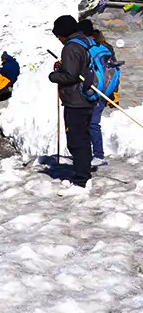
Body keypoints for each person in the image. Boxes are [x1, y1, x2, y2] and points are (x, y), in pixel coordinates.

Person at [48, 15, 94, 194]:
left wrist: (54, 76)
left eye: (58, 35)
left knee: (76, 140)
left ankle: (81, 181)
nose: (58, 39)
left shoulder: (71, 47)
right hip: (86, 98)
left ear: (64, 33)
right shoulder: (84, 42)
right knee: (83, 137)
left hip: (76, 101)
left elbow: (70, 76)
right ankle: (84, 173)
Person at [88, 29, 116, 166]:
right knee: (92, 123)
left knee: (92, 123)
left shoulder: (93, 49)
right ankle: (94, 154)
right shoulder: (107, 49)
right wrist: (113, 92)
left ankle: (98, 155)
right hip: (103, 91)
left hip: (93, 91)